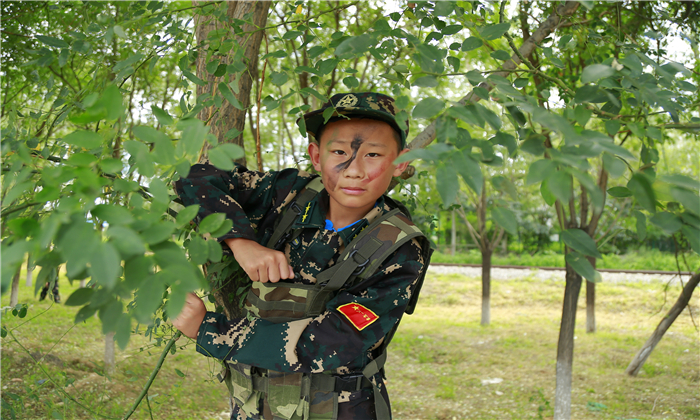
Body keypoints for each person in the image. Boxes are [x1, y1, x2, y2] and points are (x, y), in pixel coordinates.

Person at [173, 92, 431, 420]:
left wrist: (207, 329)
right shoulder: (289, 193)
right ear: (316, 155)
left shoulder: (401, 248)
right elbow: (196, 178)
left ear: (400, 162)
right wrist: (240, 242)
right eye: (339, 152)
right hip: (256, 406)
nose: (354, 170)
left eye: (373, 155)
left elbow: (331, 342)